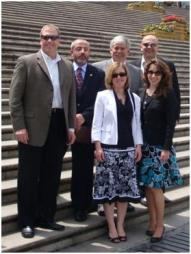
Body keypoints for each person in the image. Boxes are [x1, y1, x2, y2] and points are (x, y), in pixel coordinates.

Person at [9, 24, 76, 238]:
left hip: (58, 124)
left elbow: (71, 98)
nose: (48, 40)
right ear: (40, 39)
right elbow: (14, 99)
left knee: (52, 175)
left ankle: (46, 217)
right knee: (28, 176)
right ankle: (26, 221)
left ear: (59, 40)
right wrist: (19, 126)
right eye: (44, 37)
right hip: (32, 127)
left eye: (52, 37)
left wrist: (71, 126)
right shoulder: (27, 62)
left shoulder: (67, 65)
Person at [91, 62, 143, 243]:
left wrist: (138, 145)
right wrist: (97, 146)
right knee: (108, 190)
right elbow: (96, 123)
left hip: (128, 149)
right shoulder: (102, 96)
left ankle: (120, 224)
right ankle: (111, 226)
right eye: (115, 75)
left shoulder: (134, 98)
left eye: (122, 74)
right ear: (110, 78)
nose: (119, 78)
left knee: (124, 191)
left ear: (127, 77)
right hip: (108, 149)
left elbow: (137, 124)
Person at [137, 59, 183, 243]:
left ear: (163, 75)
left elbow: (170, 125)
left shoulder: (168, 94)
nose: (153, 75)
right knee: (147, 187)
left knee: (156, 188)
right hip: (144, 146)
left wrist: (166, 148)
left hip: (158, 148)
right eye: (151, 72)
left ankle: (160, 225)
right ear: (146, 73)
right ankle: (152, 221)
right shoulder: (142, 93)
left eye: (157, 73)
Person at [70, 39, 105, 222]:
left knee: (83, 168)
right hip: (61, 126)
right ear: (72, 52)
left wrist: (84, 116)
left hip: (85, 129)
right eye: (78, 49)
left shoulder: (98, 74)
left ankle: (80, 205)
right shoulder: (63, 71)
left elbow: (101, 102)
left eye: (86, 49)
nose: (82, 52)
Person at [130, 34, 180, 121]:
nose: (149, 47)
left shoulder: (168, 65)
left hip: (160, 116)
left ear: (158, 47)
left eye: (153, 45)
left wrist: (175, 115)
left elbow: (175, 90)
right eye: (146, 44)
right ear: (140, 47)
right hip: (136, 115)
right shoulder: (131, 65)